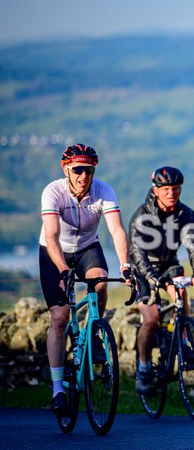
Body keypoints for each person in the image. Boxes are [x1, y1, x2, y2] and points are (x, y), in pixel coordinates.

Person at [40, 143, 131, 417]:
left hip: (88, 248)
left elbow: (116, 231)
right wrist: (63, 269)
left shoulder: (104, 190)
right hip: (53, 252)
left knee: (100, 281)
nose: (84, 176)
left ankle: (94, 339)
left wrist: (125, 265)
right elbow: (52, 236)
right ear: (66, 169)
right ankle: (58, 390)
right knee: (59, 316)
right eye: (78, 170)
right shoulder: (53, 191)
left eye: (89, 171)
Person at [128, 166, 194, 394]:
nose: (171, 193)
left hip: (168, 264)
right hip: (143, 269)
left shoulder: (185, 214)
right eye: (166, 189)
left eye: (175, 188)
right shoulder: (142, 216)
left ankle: (183, 344)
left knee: (181, 297)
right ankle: (143, 367)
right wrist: (151, 277)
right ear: (156, 190)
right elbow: (137, 252)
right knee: (151, 320)